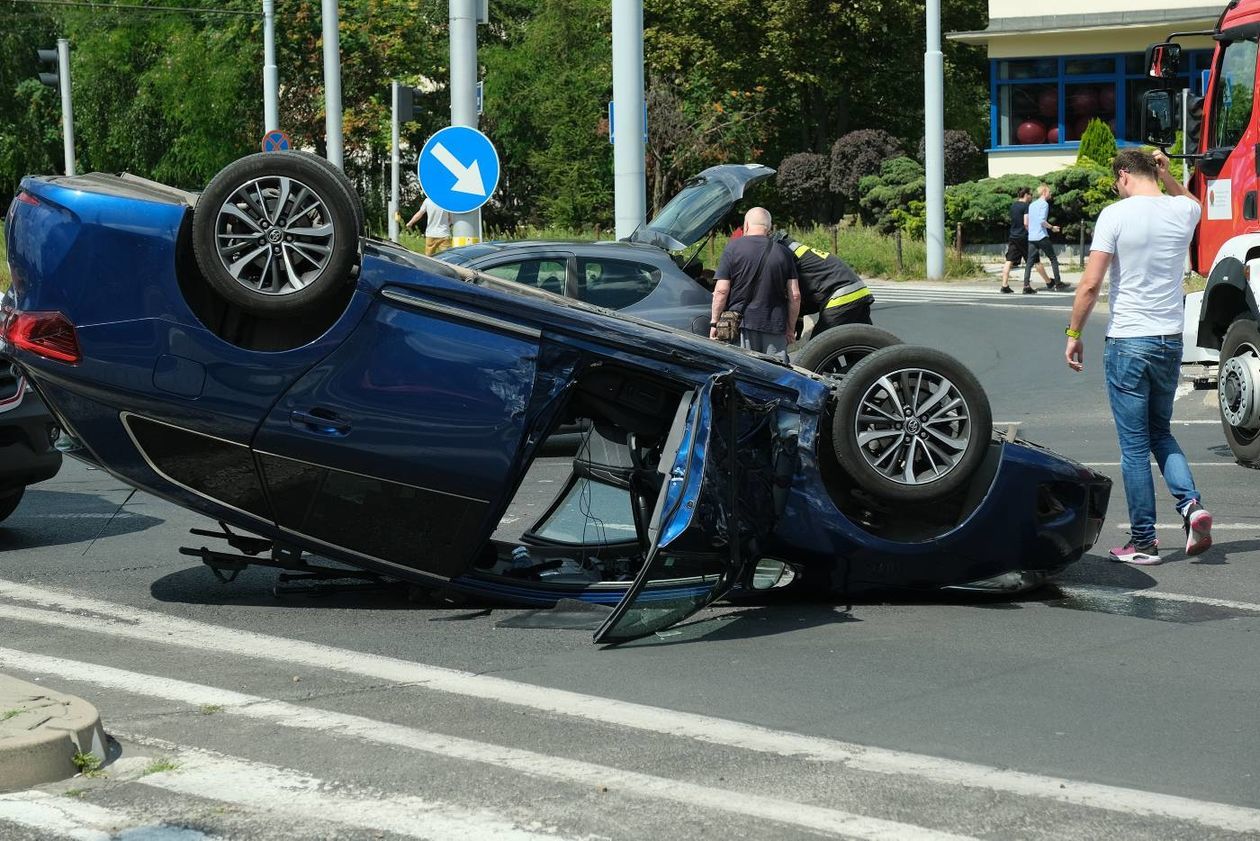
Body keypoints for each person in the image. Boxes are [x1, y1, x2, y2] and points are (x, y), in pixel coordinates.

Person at [1063, 148, 1212, 564]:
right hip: (1168, 340)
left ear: (1124, 174)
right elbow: (1192, 201)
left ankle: (1144, 541)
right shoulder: (1183, 211)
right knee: (1160, 433)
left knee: (1133, 447)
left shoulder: (1115, 215)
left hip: (1129, 340)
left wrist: (1074, 333)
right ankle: (1190, 506)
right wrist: (1167, 175)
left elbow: (1090, 285)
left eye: (1117, 181)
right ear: (1156, 170)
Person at [709, 207, 800, 360]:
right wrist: (790, 329)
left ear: (746, 225)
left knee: (744, 373)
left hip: (742, 325)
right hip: (774, 326)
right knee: (776, 376)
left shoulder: (733, 248)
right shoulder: (784, 253)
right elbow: (795, 295)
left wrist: (714, 322)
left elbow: (721, 291)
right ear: (769, 227)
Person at [776, 233, 873, 332]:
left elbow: (794, 295)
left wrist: (791, 326)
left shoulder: (781, 252)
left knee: (820, 345)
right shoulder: (792, 248)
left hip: (841, 294)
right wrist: (799, 317)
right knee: (868, 342)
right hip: (859, 290)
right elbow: (803, 288)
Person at [999, 187, 1053, 294]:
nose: (1031, 197)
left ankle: (1004, 285)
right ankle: (1047, 282)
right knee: (1035, 260)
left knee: (1009, 260)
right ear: (1026, 195)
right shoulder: (1026, 207)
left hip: (1013, 236)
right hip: (1024, 237)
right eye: (1030, 195)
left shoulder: (1013, 206)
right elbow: (1026, 222)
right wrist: (1031, 231)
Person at [1024, 183, 1073, 293]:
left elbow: (1030, 221)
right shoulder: (1044, 204)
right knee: (1053, 259)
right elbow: (1042, 221)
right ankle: (1058, 283)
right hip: (1041, 235)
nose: (1050, 194)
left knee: (1029, 262)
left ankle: (1026, 286)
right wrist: (1052, 227)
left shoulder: (1032, 205)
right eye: (1049, 192)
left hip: (1032, 237)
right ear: (1044, 192)